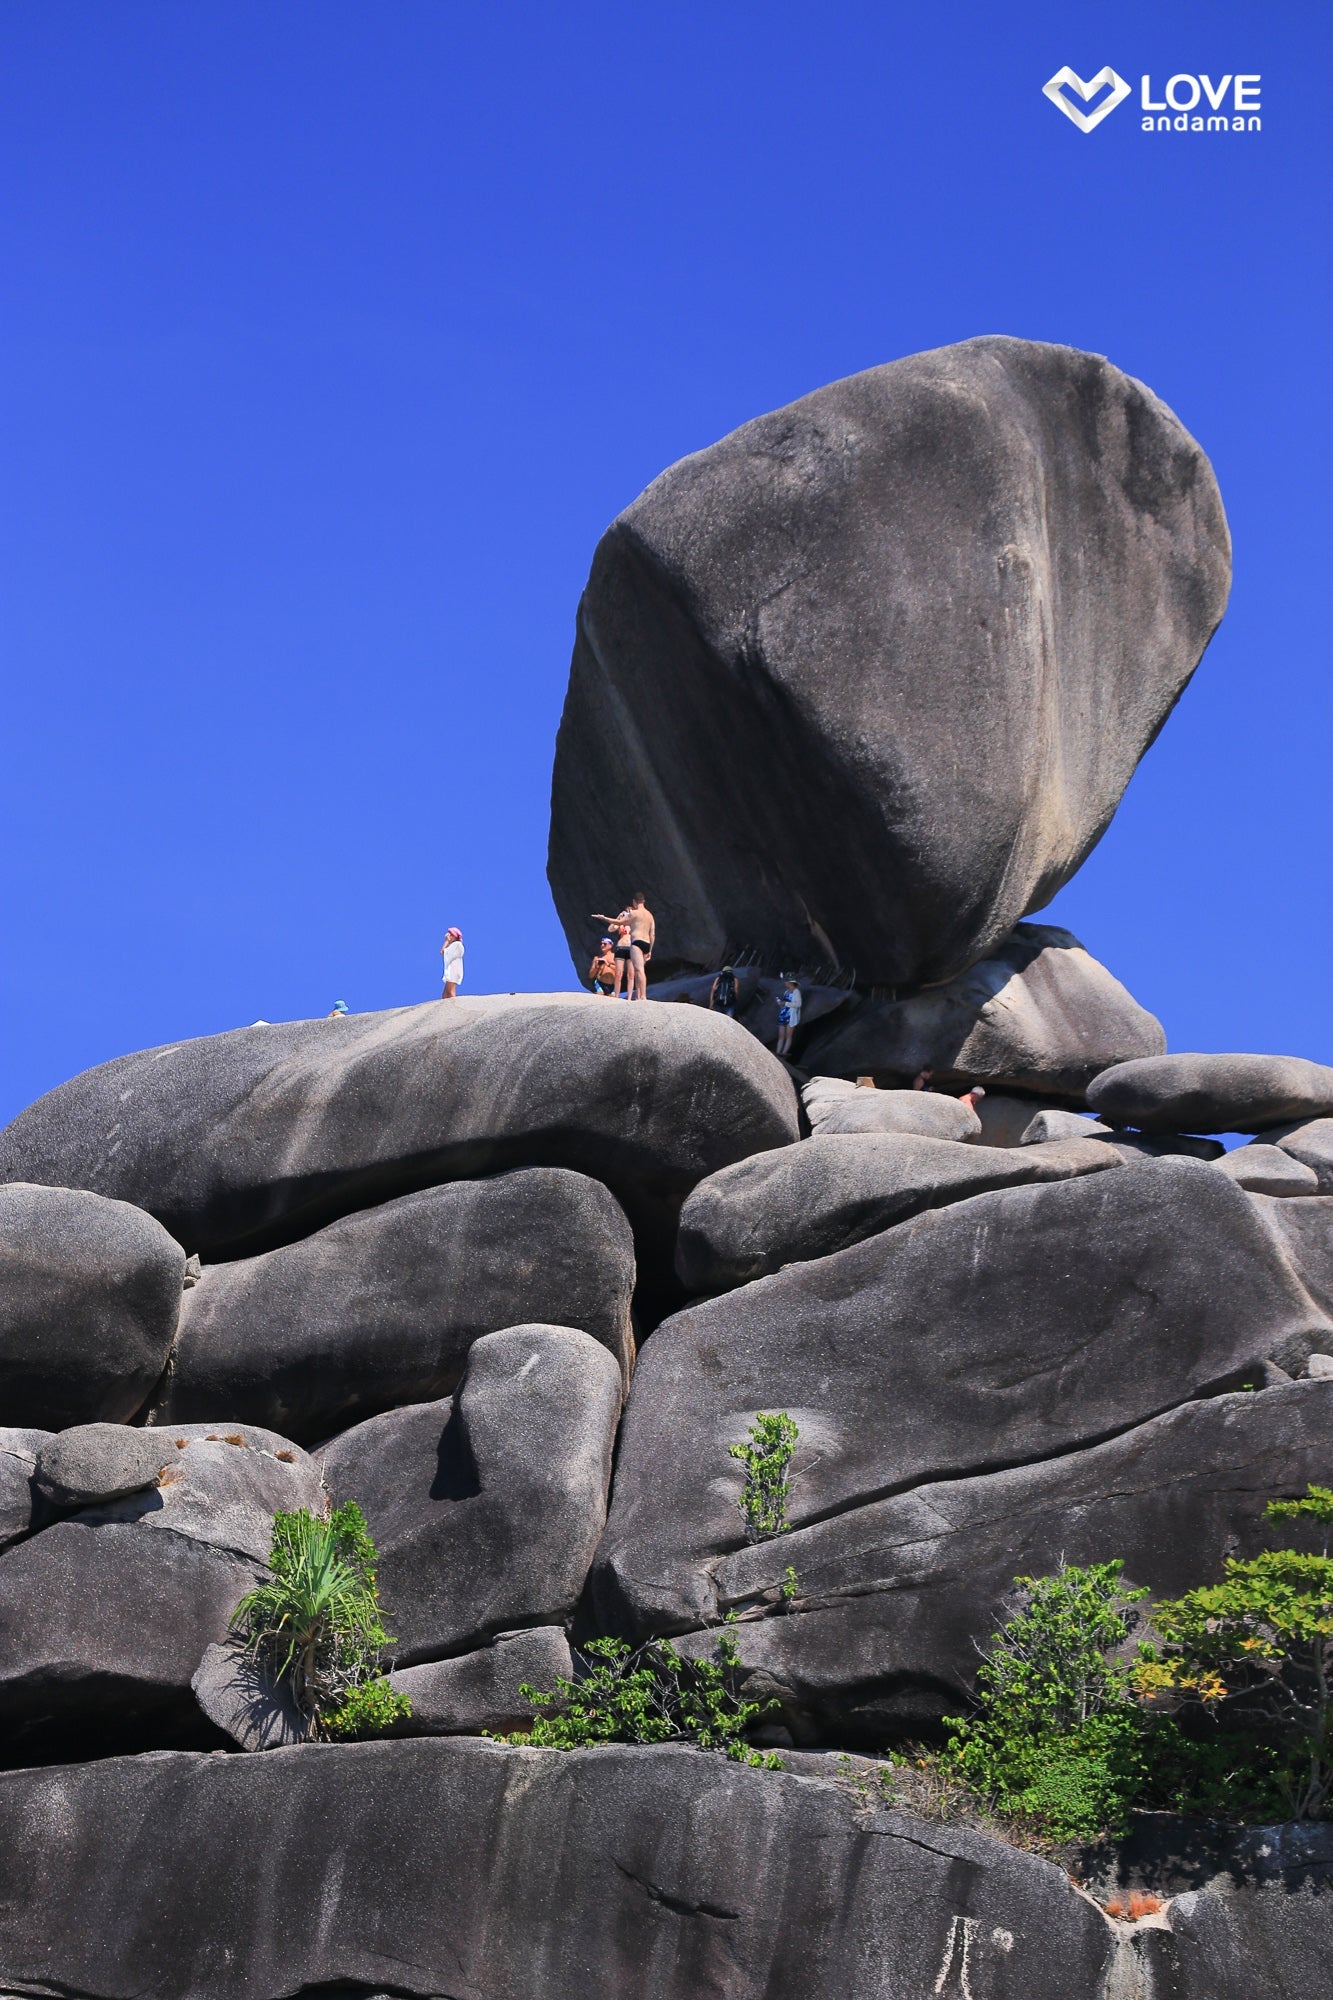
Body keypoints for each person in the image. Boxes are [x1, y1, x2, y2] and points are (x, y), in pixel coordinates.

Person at [775, 977, 802, 1058]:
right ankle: (777, 1052)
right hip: (783, 1014)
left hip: (791, 1015)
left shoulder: (796, 992)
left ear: (790, 982)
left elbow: (798, 1004)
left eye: (786, 981)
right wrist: (780, 1003)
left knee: (788, 1035)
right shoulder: (786, 992)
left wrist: (785, 1003)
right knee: (781, 1035)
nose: (785, 983)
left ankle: (783, 1053)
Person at [440, 927, 464, 998]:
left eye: (451, 935)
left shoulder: (457, 944)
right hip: (452, 969)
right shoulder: (453, 945)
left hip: (454, 970)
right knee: (445, 994)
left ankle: (453, 1007)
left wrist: (446, 941)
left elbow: (442, 952)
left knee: (450, 991)